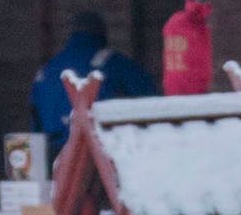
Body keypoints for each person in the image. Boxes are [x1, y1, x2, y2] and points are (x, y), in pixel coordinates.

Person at [29, 10, 153, 154]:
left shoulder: (46, 70)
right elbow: (150, 103)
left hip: (53, 156)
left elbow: (35, 126)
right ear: (102, 33)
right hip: (102, 153)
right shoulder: (115, 63)